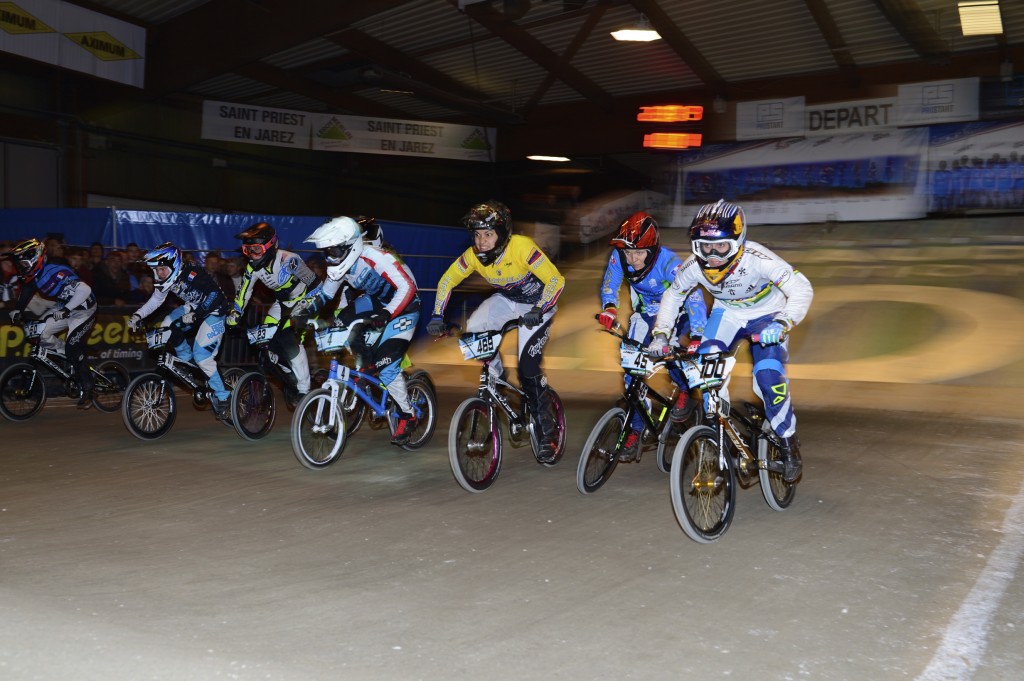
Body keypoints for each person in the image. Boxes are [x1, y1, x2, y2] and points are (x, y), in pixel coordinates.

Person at [648, 199, 813, 482]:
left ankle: (788, 443)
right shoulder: (694, 266)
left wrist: (783, 321)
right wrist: (661, 333)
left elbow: (801, 287)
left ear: (738, 242)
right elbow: (673, 295)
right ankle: (718, 433)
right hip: (728, 314)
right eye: (704, 247)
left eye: (720, 246)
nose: (711, 255)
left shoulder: (758, 258)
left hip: (767, 315)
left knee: (768, 377)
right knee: (706, 371)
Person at [425, 199, 564, 462]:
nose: (481, 242)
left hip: (538, 306)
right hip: (507, 302)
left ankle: (548, 433)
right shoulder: (473, 256)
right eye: (477, 235)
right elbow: (447, 280)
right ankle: (495, 375)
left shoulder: (522, 248)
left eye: (488, 234)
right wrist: (436, 315)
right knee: (474, 328)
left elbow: (556, 279)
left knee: (528, 367)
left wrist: (540, 309)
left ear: (502, 233)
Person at [292, 216, 421, 445]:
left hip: (405, 305)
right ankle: (367, 368)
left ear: (349, 247)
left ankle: (406, 415)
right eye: (326, 252)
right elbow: (325, 295)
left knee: (388, 365)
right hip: (379, 302)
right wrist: (304, 312)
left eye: (332, 251)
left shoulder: (377, 258)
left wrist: (388, 313)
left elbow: (407, 287)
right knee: (341, 323)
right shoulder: (339, 265)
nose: (328, 258)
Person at [598, 211, 708, 461]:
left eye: (638, 253)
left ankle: (683, 390)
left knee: (669, 353)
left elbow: (693, 296)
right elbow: (610, 285)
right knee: (630, 368)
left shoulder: (670, 263)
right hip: (646, 314)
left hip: (678, 313)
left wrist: (698, 333)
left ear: (652, 250)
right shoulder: (619, 257)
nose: (632, 259)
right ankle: (636, 428)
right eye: (628, 253)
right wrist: (609, 308)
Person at [127, 242, 234, 422]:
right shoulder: (168, 278)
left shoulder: (192, 273)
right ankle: (186, 361)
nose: (159, 274)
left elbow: (215, 296)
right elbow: (156, 300)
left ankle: (224, 395)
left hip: (215, 312)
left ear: (174, 264)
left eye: (161, 269)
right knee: (167, 325)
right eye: (156, 270)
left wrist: (196, 314)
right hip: (192, 309)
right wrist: (138, 315)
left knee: (203, 357)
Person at [3, 238, 98, 408]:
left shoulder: (56, 272)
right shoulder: (35, 276)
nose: (20, 269)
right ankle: (70, 352)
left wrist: (67, 309)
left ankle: (89, 390)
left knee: (72, 347)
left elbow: (85, 289)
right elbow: (27, 289)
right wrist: (18, 309)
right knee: (40, 332)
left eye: (23, 265)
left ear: (35, 259)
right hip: (65, 307)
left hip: (84, 310)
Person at [227, 222, 316, 399]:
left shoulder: (289, 260)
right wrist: (235, 313)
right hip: (282, 303)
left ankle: (305, 390)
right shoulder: (252, 268)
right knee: (266, 341)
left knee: (289, 340)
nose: (251, 256)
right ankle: (288, 372)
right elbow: (244, 294)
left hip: (304, 300)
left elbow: (314, 284)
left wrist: (307, 309)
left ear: (270, 246)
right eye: (247, 250)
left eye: (256, 250)